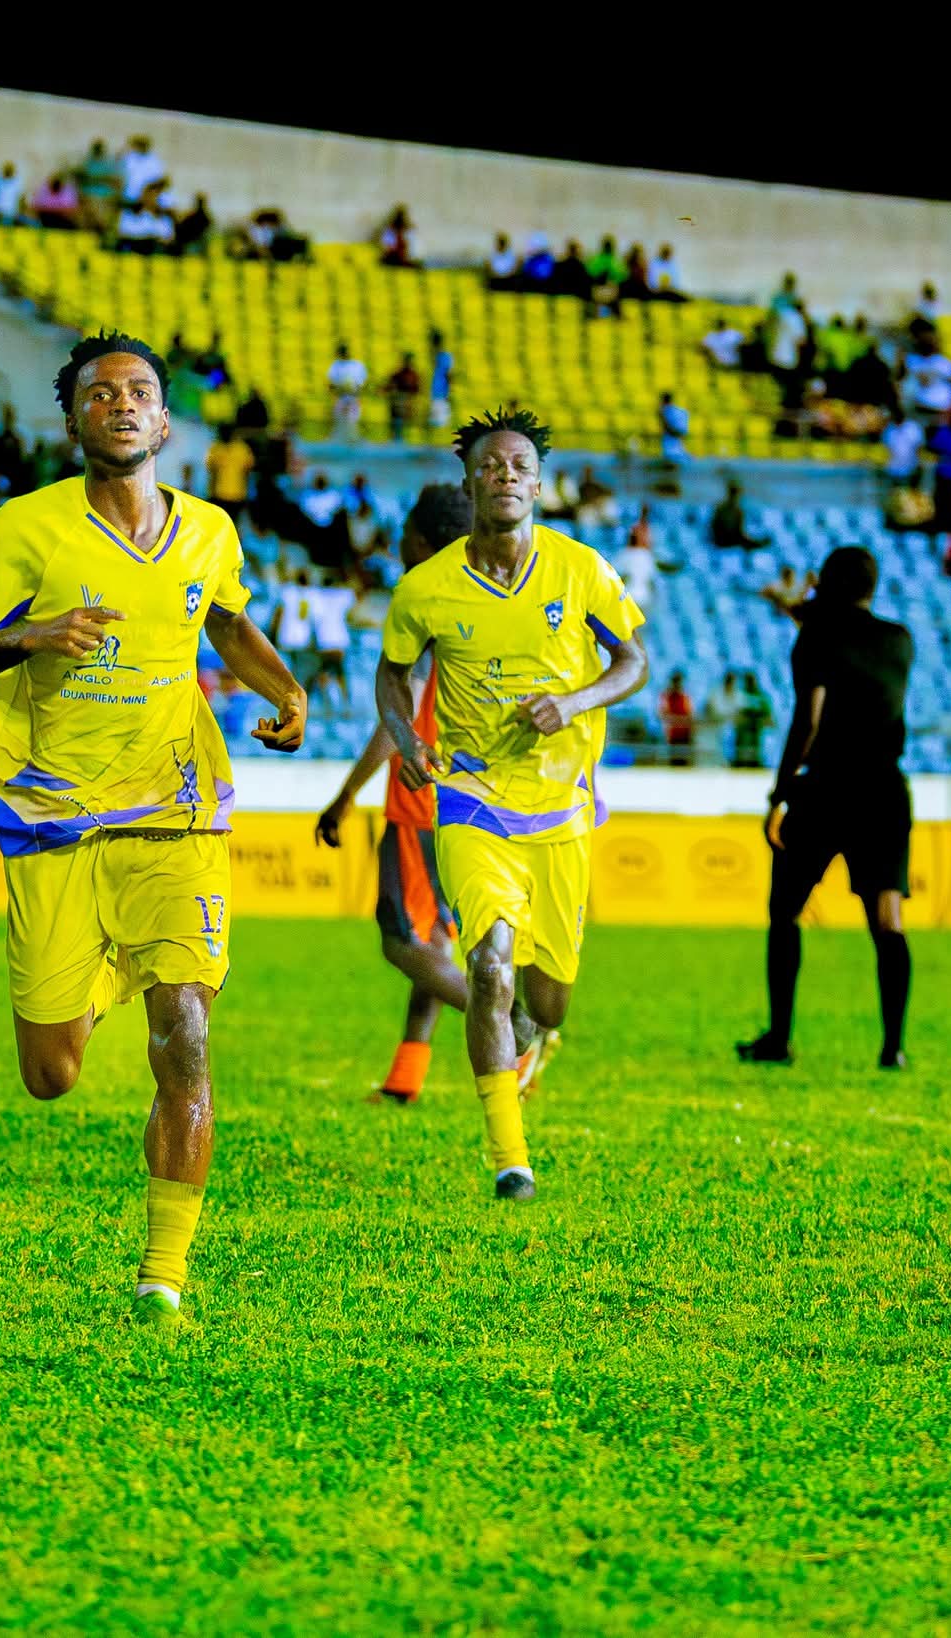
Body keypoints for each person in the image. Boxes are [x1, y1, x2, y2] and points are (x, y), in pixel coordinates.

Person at [0, 331, 307, 1328]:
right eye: (100, 393)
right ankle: (102, 983)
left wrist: (284, 688)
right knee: (51, 1075)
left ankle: (161, 1278)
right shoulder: (26, 529)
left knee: (185, 1029)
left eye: (139, 391)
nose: (122, 404)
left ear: (166, 421)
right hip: (52, 814)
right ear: (72, 422)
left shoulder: (209, 531)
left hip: (175, 808)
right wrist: (32, 636)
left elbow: (223, 620)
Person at [376, 408, 649, 1203]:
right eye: (491, 466)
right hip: (473, 800)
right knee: (488, 964)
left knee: (547, 997)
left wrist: (576, 700)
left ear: (538, 484)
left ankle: (534, 1029)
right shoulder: (425, 589)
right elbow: (392, 673)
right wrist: (407, 736)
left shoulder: (581, 569)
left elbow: (633, 660)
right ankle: (510, 1159)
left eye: (520, 467)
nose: (505, 476)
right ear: (470, 482)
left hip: (561, 809)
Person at [314, 483, 552, 1104]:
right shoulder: (481, 598)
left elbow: (401, 715)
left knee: (403, 942)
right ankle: (404, 1080)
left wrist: (345, 795)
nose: (399, 542)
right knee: (437, 945)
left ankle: (518, 1028)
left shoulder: (425, 605)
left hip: (423, 803)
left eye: (407, 532)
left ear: (423, 540)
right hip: (476, 802)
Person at [741, 546, 915, 1070]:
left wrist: (779, 794)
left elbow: (809, 720)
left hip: (827, 788)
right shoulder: (899, 640)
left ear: (827, 585)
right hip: (885, 790)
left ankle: (779, 1038)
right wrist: (803, 608)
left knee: (785, 912)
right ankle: (893, 1047)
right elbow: (851, 641)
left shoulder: (815, 637)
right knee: (887, 919)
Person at [204, 423, 254, 523]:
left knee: (233, 523)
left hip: (237, 495)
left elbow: (247, 472)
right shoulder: (216, 448)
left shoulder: (242, 448)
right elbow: (212, 471)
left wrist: (246, 493)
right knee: (220, 523)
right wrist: (211, 492)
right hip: (219, 495)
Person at [709, 480, 766, 550]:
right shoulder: (723, 510)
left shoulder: (736, 511)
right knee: (747, 542)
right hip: (722, 541)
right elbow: (715, 529)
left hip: (729, 539)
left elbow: (739, 532)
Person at [327, 343, 367, 438]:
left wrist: (354, 393)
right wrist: (339, 392)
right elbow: (331, 384)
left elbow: (361, 384)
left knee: (352, 424)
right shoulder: (335, 365)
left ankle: (353, 441)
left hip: (354, 398)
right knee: (340, 423)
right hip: (340, 398)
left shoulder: (357, 365)